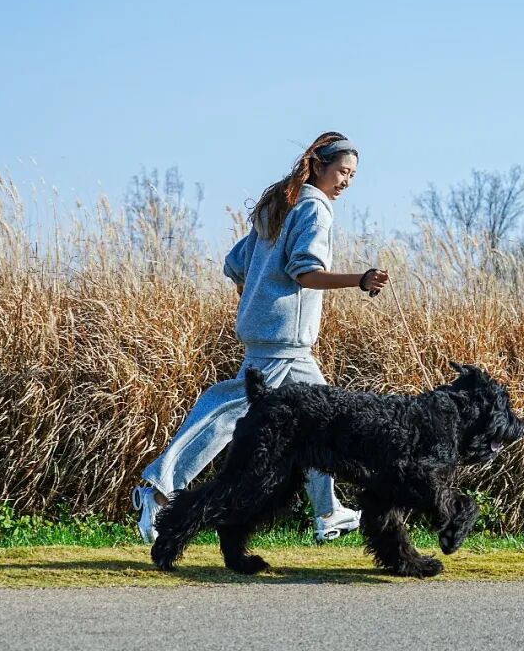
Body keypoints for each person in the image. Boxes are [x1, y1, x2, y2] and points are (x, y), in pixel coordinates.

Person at [132, 131, 390, 544]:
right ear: (319, 166)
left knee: (320, 426)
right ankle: (159, 491)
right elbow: (305, 272)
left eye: (353, 176)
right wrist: (359, 280)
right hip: (281, 344)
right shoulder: (313, 208)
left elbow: (236, 265)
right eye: (342, 171)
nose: (346, 182)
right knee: (228, 413)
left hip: (284, 343)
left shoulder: (279, 206)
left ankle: (328, 512)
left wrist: (256, 299)